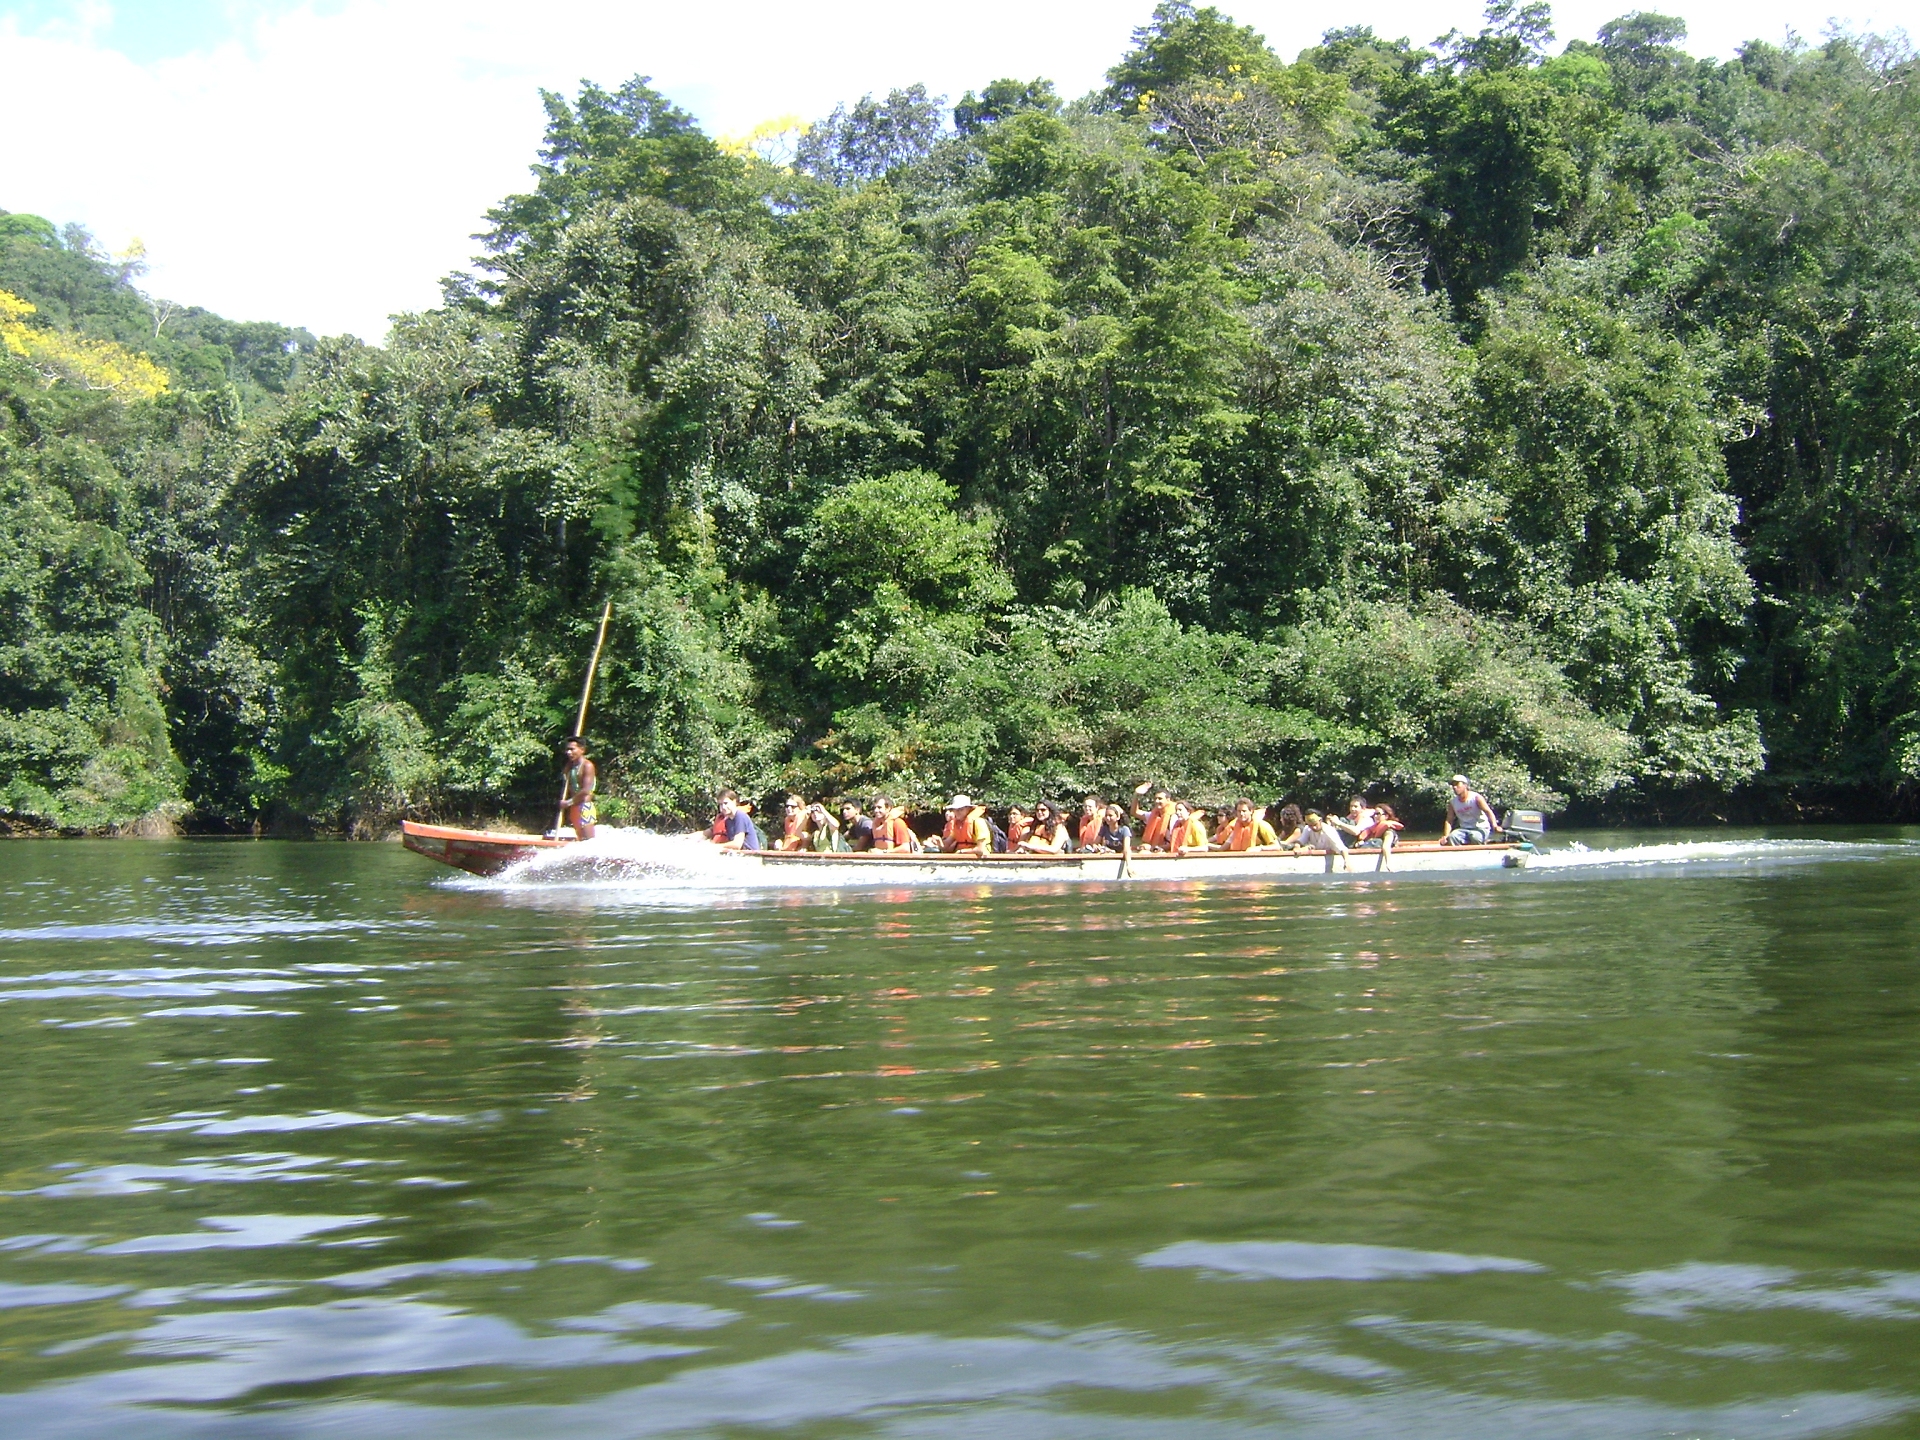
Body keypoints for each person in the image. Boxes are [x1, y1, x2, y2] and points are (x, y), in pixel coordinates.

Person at [559, 737, 598, 840]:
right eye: (567, 749)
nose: (568, 752)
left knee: (588, 838)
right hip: (575, 805)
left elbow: (586, 790)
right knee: (580, 836)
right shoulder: (571, 765)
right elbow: (565, 776)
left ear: (582, 750)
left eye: (572, 749)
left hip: (585, 806)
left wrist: (568, 802)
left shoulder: (587, 766)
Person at [1442, 774, 1497, 845]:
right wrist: (1446, 836)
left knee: (1475, 837)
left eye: (1457, 784)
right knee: (1452, 837)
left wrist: (1495, 826)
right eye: (1453, 785)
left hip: (1480, 828)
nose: (1454, 787)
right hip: (1464, 829)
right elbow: (1449, 820)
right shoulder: (1453, 803)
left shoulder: (1476, 798)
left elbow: (1488, 812)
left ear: (1465, 785)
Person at [1216, 798, 1280, 852]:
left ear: (1251, 811)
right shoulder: (1236, 827)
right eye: (1239, 811)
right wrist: (1207, 845)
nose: (1241, 814)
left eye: (1244, 811)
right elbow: (1222, 848)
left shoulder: (1262, 826)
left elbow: (1277, 847)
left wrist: (1260, 848)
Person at [1132, 785, 1178, 851]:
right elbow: (1135, 812)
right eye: (1155, 798)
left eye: (1160, 799)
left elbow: (1176, 843)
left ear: (1168, 800)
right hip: (1155, 849)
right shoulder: (1154, 815)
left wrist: (1152, 848)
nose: (1156, 801)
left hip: (1169, 851)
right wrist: (1136, 795)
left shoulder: (1174, 818)